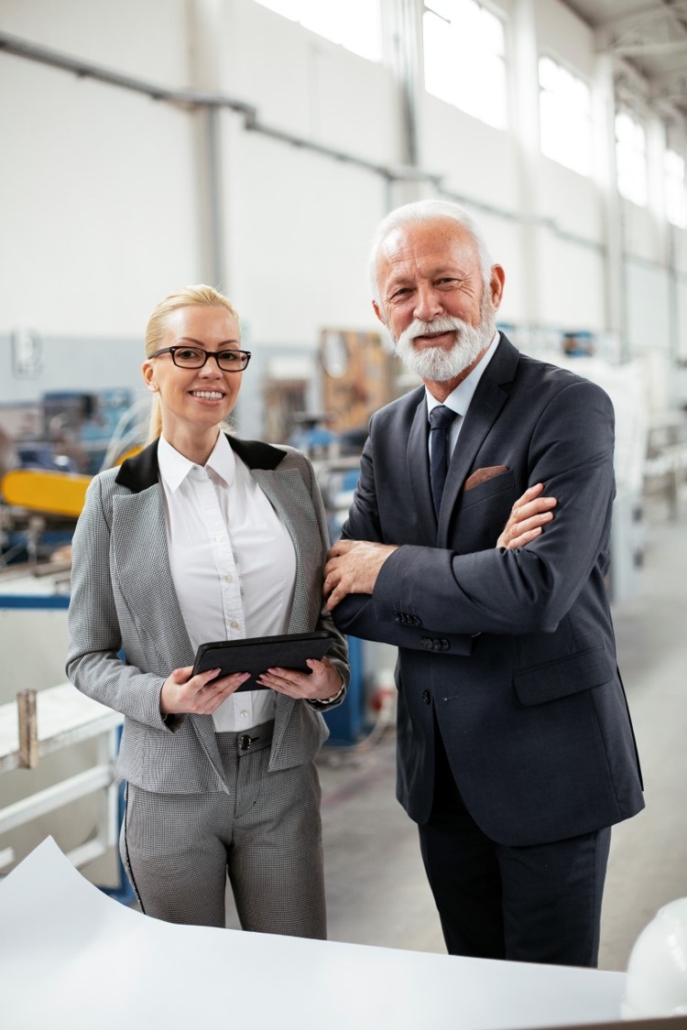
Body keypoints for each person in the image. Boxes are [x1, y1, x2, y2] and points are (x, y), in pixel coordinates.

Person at [323, 200, 644, 967]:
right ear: (380, 311)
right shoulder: (390, 431)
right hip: (440, 773)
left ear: (492, 286)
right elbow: (346, 592)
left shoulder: (564, 407)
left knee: (552, 999)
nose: (425, 308)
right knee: (472, 983)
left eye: (446, 282)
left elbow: (537, 591)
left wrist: (395, 567)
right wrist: (477, 575)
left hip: (548, 763)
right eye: (402, 292)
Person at [66, 285, 349, 938]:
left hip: (282, 777)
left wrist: (330, 680)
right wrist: (159, 694)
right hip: (173, 788)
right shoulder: (114, 499)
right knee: (186, 990)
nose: (212, 371)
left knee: (294, 972)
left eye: (228, 354)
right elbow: (85, 657)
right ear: (151, 372)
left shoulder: (288, 475)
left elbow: (325, 619)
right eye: (188, 353)